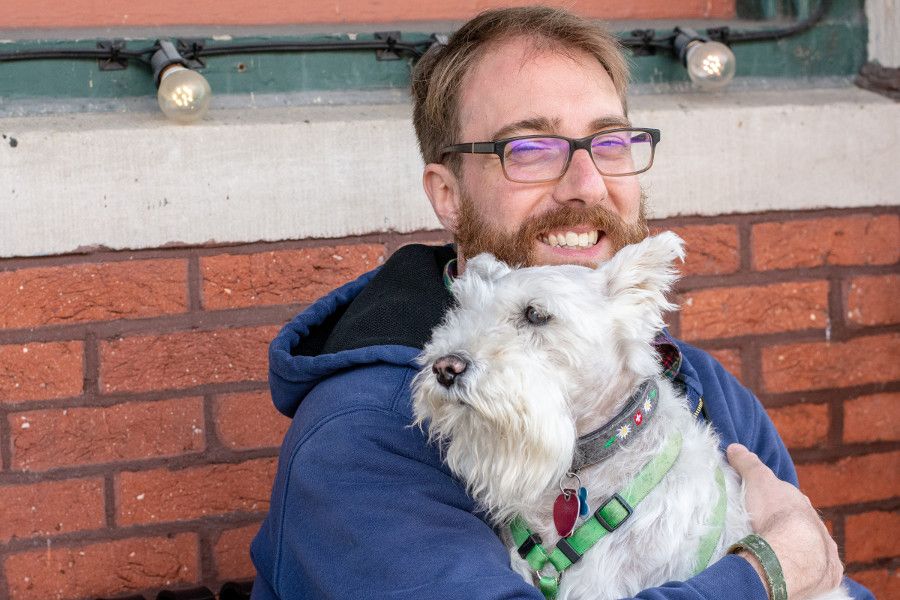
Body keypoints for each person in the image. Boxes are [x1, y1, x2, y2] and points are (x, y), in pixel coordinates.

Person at [250, 7, 872, 599]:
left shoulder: (705, 390)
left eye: (610, 143)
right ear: (449, 196)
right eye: (530, 150)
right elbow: (794, 565)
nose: (586, 185)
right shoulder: (365, 430)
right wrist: (764, 577)